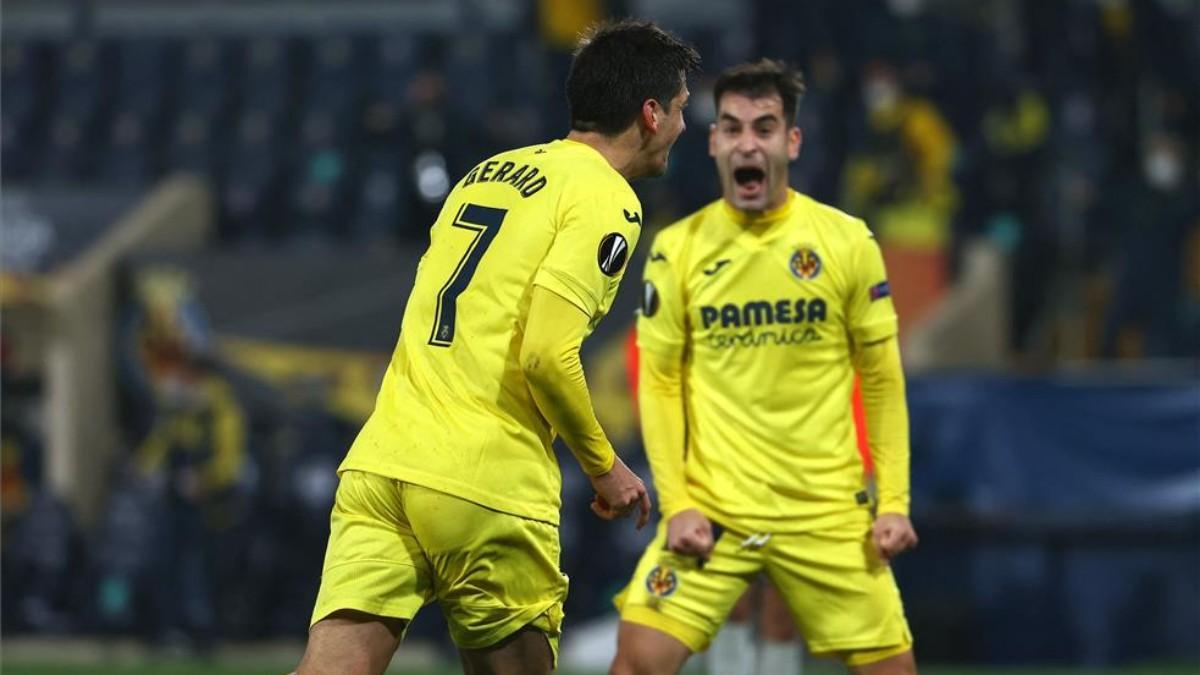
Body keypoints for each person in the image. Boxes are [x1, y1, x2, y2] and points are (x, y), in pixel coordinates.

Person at [294, 20, 699, 675]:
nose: (685, 127)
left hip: (382, 464)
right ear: (650, 114)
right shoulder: (605, 198)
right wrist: (605, 466)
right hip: (483, 479)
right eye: (681, 110)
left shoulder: (487, 173)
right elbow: (545, 353)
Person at [610, 59, 919, 675]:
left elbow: (882, 380)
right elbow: (662, 382)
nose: (748, 142)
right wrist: (679, 504)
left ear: (792, 141)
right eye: (732, 127)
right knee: (638, 660)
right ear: (714, 142)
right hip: (716, 508)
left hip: (827, 509)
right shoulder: (679, 249)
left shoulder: (847, 242)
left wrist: (895, 503)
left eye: (765, 127)